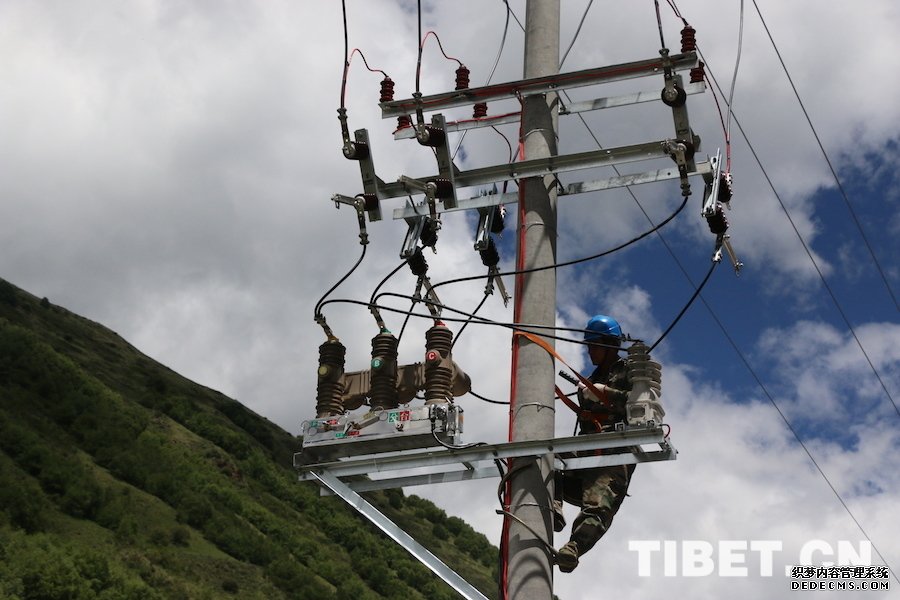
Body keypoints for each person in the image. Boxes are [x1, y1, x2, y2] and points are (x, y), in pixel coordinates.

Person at [554, 314, 636, 573]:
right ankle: (553, 506)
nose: (589, 351)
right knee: (548, 456)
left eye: (594, 345)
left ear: (609, 344)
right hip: (587, 446)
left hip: (615, 450)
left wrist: (604, 393)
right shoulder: (594, 375)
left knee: (600, 505)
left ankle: (573, 548)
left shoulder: (629, 371)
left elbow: (639, 403)